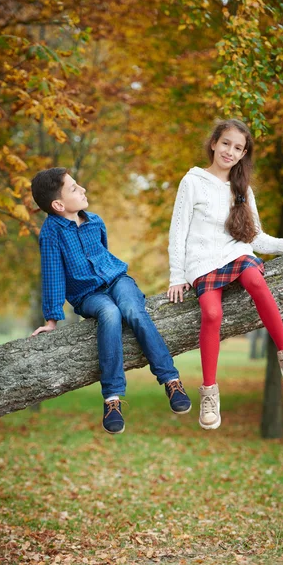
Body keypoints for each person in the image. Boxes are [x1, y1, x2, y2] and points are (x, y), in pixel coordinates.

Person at [167, 119, 283, 431]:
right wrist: (177, 275)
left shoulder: (242, 189)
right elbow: (178, 231)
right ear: (213, 143)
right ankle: (210, 393)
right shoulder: (192, 181)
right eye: (226, 143)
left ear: (243, 155)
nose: (230, 151)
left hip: (234, 254)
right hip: (202, 263)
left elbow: (255, 238)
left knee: (255, 278)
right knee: (211, 314)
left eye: (238, 148)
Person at [31, 167, 191, 434]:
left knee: (132, 310)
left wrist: (118, 283)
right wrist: (51, 319)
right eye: (73, 188)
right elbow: (53, 275)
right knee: (110, 314)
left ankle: (171, 380)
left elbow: (104, 254)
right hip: (88, 295)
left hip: (118, 281)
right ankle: (112, 398)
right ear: (58, 204)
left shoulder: (95, 221)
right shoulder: (51, 233)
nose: (82, 189)